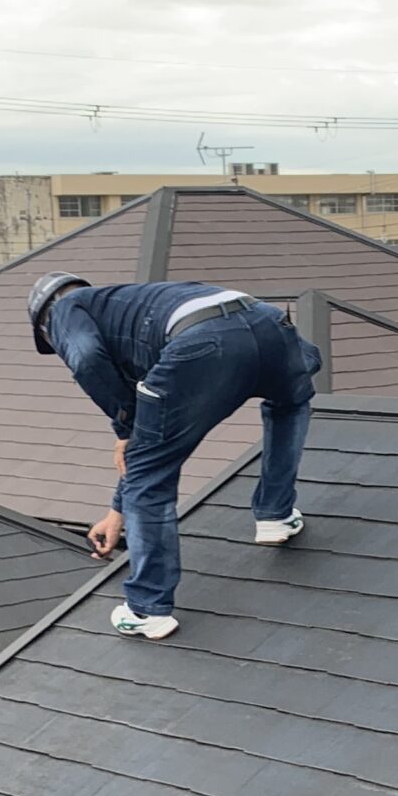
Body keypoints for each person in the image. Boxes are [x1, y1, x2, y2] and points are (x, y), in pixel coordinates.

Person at [28, 272, 319, 640]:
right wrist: (116, 512)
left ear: (45, 326)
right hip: (267, 322)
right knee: (290, 404)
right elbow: (150, 437)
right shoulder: (141, 304)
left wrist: (124, 425)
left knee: (152, 481)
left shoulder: (64, 309)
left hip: (205, 342)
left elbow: (86, 360)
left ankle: (146, 609)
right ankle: (275, 516)